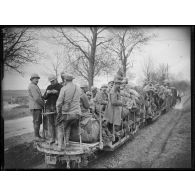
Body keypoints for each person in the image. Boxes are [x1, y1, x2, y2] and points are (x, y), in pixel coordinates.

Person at [56, 73, 81, 150]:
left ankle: (59, 146)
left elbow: (59, 103)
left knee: (60, 127)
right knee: (68, 125)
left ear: (65, 80)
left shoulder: (64, 88)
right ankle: (66, 143)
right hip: (77, 113)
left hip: (67, 113)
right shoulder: (78, 88)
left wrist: (58, 113)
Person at [43, 74, 63, 144]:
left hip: (56, 107)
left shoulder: (60, 86)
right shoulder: (49, 87)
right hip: (48, 107)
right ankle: (52, 138)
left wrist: (57, 93)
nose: (51, 82)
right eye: (50, 81)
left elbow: (63, 97)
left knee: (57, 123)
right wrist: (47, 93)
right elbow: (44, 97)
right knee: (50, 123)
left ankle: (57, 139)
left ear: (56, 79)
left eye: (53, 81)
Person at [28, 73, 45, 141]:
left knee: (37, 121)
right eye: (35, 78)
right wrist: (44, 105)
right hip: (36, 107)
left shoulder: (34, 86)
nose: (37, 80)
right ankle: (36, 137)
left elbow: (39, 97)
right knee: (37, 122)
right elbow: (37, 98)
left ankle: (37, 136)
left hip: (37, 107)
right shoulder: (32, 86)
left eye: (38, 78)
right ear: (32, 79)